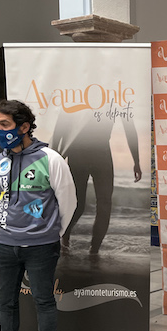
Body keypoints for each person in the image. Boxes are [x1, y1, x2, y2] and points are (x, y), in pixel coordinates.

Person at [0, 100, 77, 331]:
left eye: (4, 124)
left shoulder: (51, 159)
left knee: (44, 301)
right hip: (5, 246)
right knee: (5, 301)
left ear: (24, 126)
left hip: (41, 247)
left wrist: (50, 234)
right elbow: (4, 198)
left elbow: (68, 202)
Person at [51, 108, 141, 255]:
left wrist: (136, 161)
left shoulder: (115, 99)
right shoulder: (76, 97)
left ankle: (94, 250)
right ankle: (64, 240)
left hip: (102, 156)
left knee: (104, 204)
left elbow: (129, 128)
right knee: (77, 205)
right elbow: (60, 128)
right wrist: (54, 157)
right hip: (78, 155)